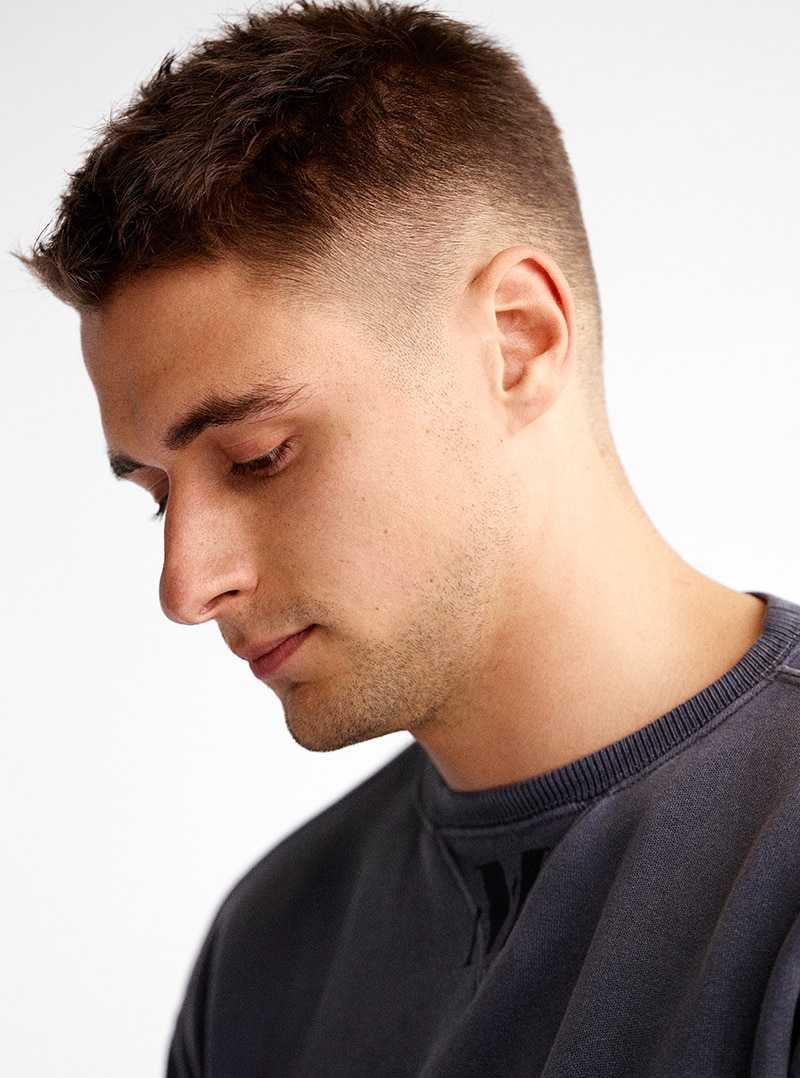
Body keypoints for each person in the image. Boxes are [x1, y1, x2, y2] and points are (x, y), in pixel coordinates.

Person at [23, 1, 800, 1074]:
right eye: (158, 493)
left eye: (257, 457)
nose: (186, 583)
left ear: (516, 342)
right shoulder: (267, 952)